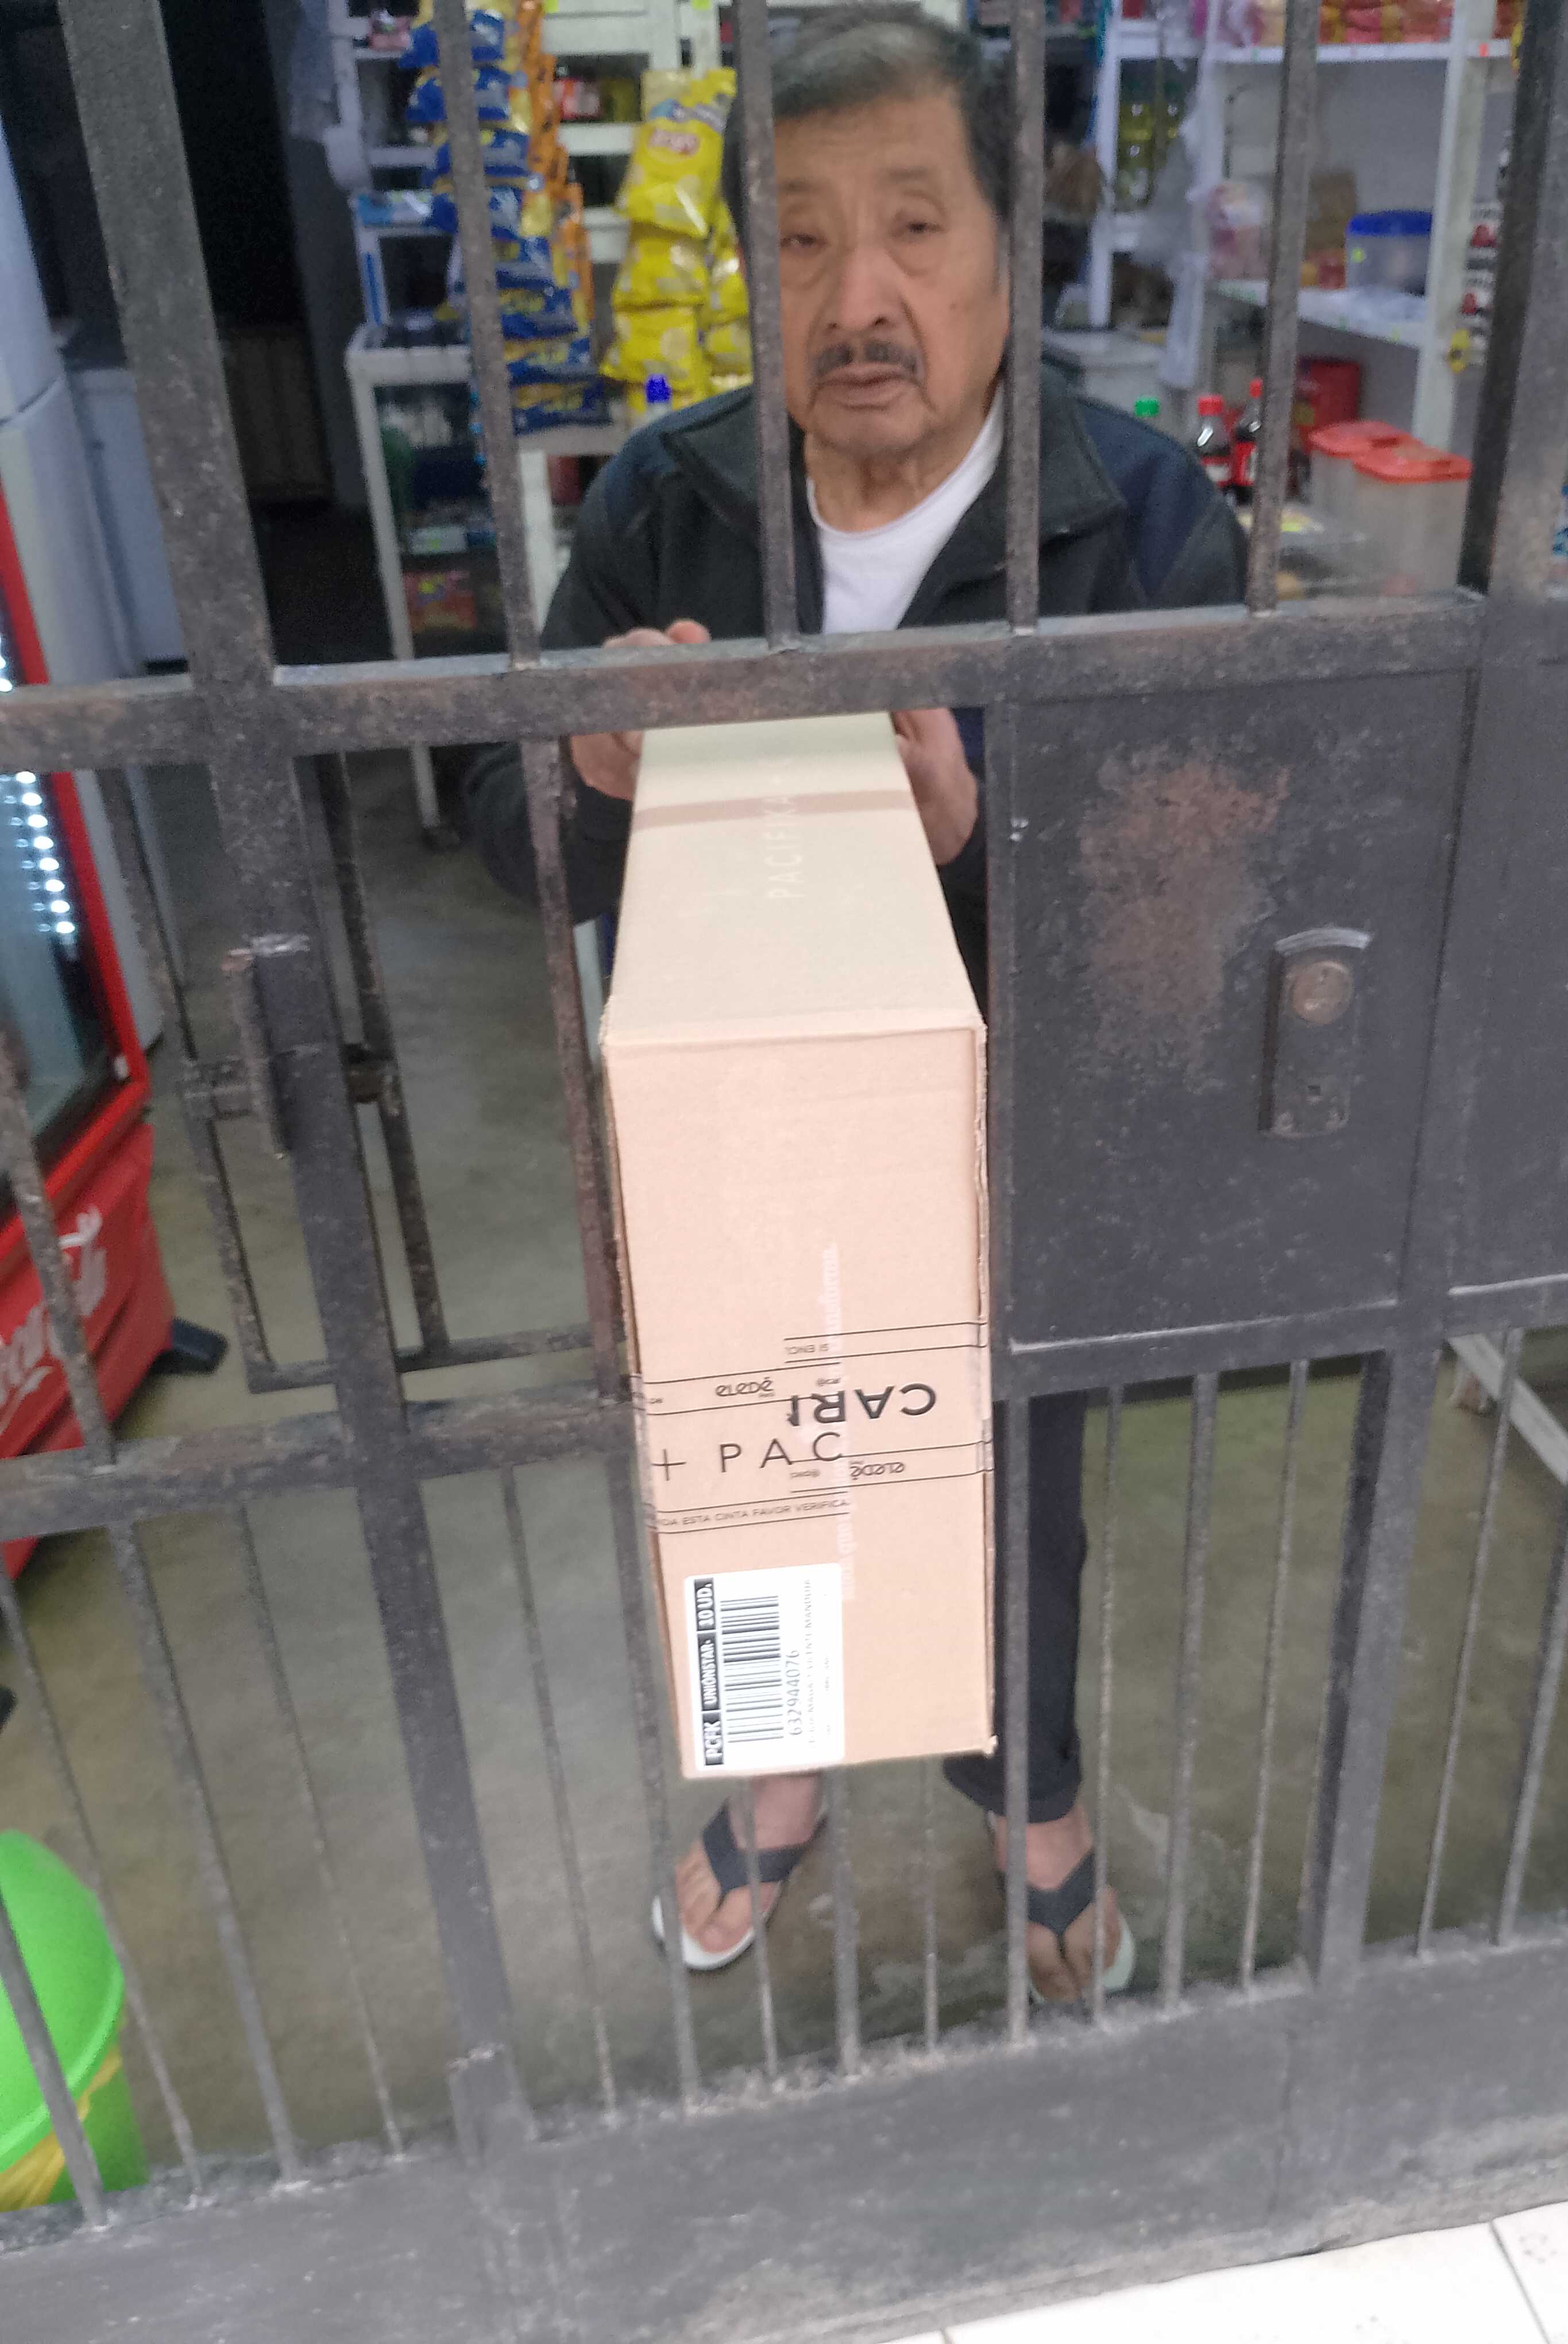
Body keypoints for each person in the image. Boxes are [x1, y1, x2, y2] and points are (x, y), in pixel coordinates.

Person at [468, 1, 1244, 2004]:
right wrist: (593, 772)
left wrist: (976, 842)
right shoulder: (668, 502)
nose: (859, 297)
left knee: (1012, 1486)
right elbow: (493, 819)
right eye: (802, 241)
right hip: (739, 1128)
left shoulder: (1148, 526)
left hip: (1013, 1140)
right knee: (756, 1451)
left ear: (1006, 256)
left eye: (914, 225)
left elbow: (1202, 929)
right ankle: (787, 1770)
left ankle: (1030, 1796)